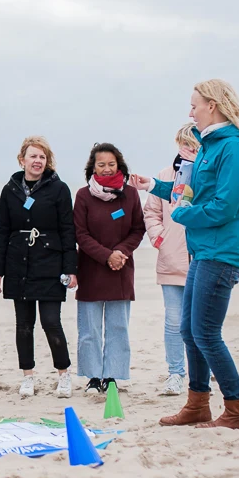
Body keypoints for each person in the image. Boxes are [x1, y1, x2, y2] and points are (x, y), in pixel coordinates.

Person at [130, 80, 239, 429]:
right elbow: (189, 192)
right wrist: (153, 186)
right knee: (189, 330)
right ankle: (197, 404)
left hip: (223, 251)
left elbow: (224, 207)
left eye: (194, 105)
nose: (190, 112)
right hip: (202, 250)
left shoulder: (233, 148)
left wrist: (182, 216)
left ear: (212, 105)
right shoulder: (208, 147)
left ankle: (236, 409)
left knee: (206, 332)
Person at [0, 136, 77, 399]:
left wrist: (71, 268)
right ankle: (27, 376)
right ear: (22, 160)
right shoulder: (10, 189)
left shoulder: (59, 189)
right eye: (33, 156)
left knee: (51, 322)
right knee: (24, 324)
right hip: (18, 264)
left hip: (50, 262)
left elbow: (68, 230)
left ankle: (63, 375)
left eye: (42, 157)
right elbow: (2, 230)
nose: (37, 161)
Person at [74, 143, 145, 394]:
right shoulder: (83, 195)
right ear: (93, 167)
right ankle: (93, 377)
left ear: (119, 165)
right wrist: (107, 256)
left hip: (121, 270)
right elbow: (80, 234)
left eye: (111, 164)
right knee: (89, 330)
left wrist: (121, 253)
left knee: (118, 327)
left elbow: (138, 229)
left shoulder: (131, 194)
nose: (106, 169)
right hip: (91, 269)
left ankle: (112, 376)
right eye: (101, 164)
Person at [143, 124, 200, 396]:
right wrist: (159, 238)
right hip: (171, 260)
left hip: (202, 260)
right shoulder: (166, 176)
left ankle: (203, 372)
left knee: (202, 323)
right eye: (184, 143)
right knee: (174, 322)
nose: (188, 148)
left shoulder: (209, 175)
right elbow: (151, 212)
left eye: (193, 143)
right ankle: (176, 373)